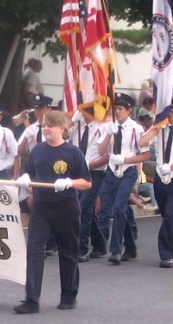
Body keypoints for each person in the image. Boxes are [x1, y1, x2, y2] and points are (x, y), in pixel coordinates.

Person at [13, 110, 92, 314]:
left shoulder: (73, 153)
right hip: (41, 208)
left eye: (50, 125)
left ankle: (68, 295)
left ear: (62, 128)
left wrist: (69, 182)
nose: (46, 129)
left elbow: (86, 182)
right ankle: (31, 299)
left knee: (68, 252)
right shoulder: (38, 151)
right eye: (44, 125)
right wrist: (24, 182)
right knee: (34, 251)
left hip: (66, 208)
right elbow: (31, 177)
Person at [139, 98, 173, 268]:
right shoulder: (159, 127)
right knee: (166, 216)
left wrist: (172, 166)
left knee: (171, 213)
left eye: (172, 111)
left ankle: (166, 254)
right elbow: (141, 143)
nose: (170, 115)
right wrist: (156, 128)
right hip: (160, 177)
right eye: (167, 111)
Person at [97, 93, 150, 265]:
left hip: (127, 170)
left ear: (128, 110)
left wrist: (126, 160)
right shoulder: (110, 127)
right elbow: (101, 151)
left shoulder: (137, 129)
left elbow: (145, 155)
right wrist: (108, 135)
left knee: (119, 208)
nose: (117, 112)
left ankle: (115, 250)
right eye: (115, 108)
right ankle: (131, 247)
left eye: (120, 109)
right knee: (117, 208)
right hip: (112, 170)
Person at [69, 111, 109, 262]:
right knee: (85, 210)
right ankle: (99, 244)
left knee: (83, 207)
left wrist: (87, 165)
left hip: (95, 172)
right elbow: (63, 135)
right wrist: (72, 121)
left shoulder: (103, 128)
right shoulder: (77, 126)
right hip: (78, 173)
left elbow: (107, 156)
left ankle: (81, 247)